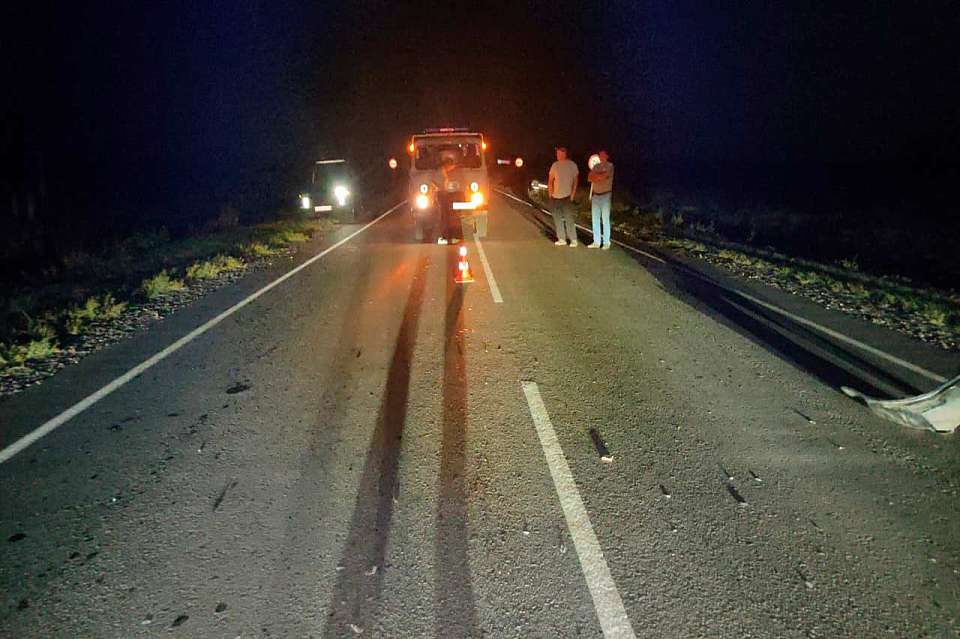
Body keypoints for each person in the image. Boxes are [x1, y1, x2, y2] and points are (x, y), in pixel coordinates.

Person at [547, 146, 579, 247]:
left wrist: (573, 193)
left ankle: (573, 239)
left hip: (566, 196)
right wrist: (550, 193)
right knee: (557, 218)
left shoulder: (572, 165)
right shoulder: (555, 165)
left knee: (568, 218)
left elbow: (576, 180)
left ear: (564, 154)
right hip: (555, 196)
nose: (557, 155)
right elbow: (550, 180)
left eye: (559, 153)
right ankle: (561, 238)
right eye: (557, 153)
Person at [586, 150, 615, 249]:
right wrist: (598, 176)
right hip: (596, 195)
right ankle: (596, 241)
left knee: (605, 219)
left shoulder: (610, 166)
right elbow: (589, 177)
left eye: (603, 155)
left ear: (607, 156)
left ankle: (606, 242)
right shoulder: (596, 166)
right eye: (600, 155)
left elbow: (604, 176)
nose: (601, 157)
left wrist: (597, 176)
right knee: (595, 219)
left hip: (605, 195)